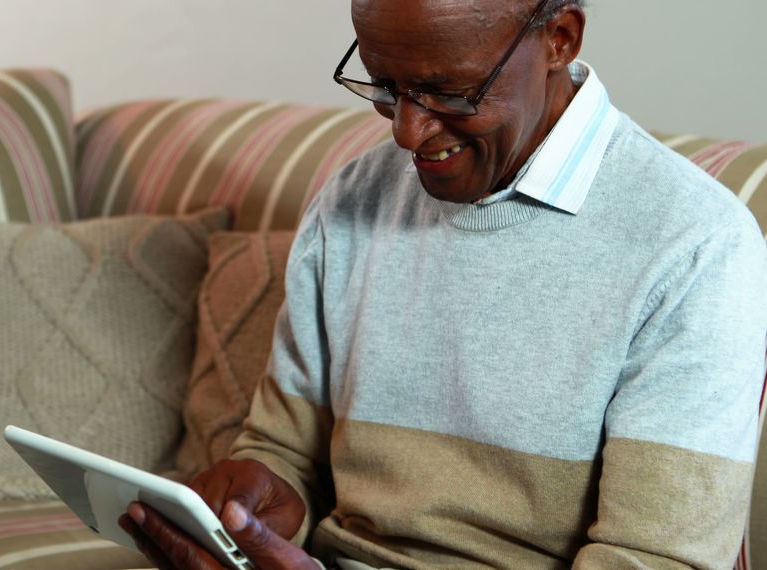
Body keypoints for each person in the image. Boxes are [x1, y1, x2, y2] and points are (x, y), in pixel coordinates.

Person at [120, 0, 767, 567]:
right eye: (384, 87)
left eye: (448, 91)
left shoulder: (694, 246)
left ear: (561, 37)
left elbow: (655, 560)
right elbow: (284, 446)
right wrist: (257, 509)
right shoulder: (353, 200)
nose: (406, 131)